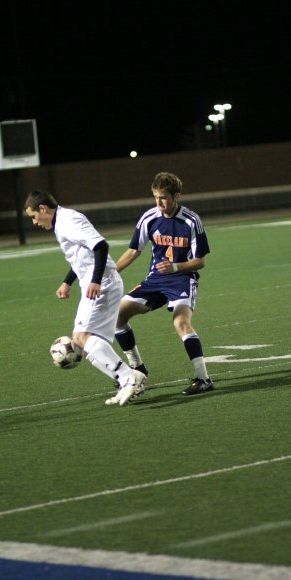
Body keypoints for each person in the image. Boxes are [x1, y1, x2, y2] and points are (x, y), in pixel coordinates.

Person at [24, 190, 146, 406]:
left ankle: (129, 377)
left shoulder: (68, 221)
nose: (34, 222)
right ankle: (126, 379)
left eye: (33, 216)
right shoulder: (62, 222)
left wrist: (96, 280)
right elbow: (80, 256)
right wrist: (67, 281)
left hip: (102, 283)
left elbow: (100, 246)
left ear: (43, 209)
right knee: (87, 340)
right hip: (99, 282)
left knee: (80, 337)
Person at [114, 172, 214, 396]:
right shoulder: (149, 217)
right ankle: (137, 369)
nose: (158, 203)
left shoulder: (191, 220)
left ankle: (203, 378)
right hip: (155, 280)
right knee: (118, 316)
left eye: (163, 198)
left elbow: (201, 261)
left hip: (182, 279)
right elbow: (133, 250)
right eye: (155, 197)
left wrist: (176, 267)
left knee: (181, 323)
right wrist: (111, 272)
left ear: (176, 196)